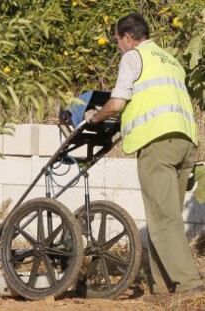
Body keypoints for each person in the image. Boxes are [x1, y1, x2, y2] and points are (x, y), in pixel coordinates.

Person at [85, 13, 204, 296]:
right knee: (166, 217)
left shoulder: (133, 57)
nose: (119, 47)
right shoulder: (170, 60)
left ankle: (189, 286)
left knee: (163, 220)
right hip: (185, 142)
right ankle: (163, 289)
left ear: (127, 37)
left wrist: (94, 118)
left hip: (157, 143)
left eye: (117, 41)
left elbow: (116, 104)